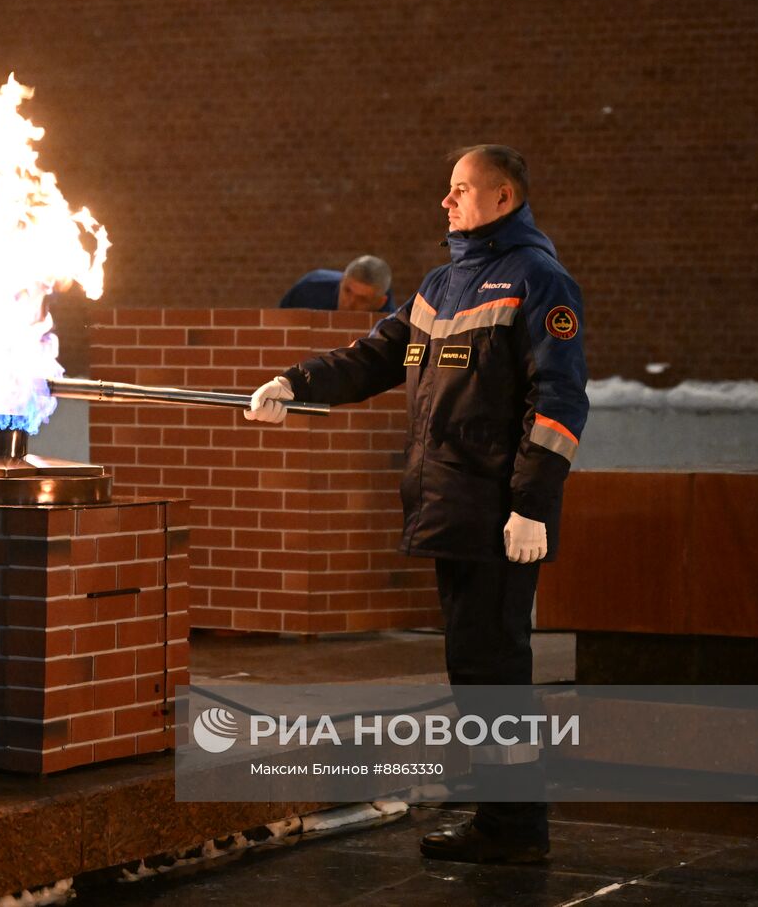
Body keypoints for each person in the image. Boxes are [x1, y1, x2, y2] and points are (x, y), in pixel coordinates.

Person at [245, 145, 588, 864]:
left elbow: (558, 402)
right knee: (476, 674)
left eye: (462, 189)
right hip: (454, 512)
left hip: (499, 518)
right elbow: (374, 355)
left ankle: (516, 831)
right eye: (448, 189)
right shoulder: (441, 284)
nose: (447, 200)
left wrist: (530, 504)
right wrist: (295, 383)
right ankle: (502, 822)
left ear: (503, 199)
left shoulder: (538, 281)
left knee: (495, 676)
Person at [278, 255, 394, 311]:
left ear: (380, 302)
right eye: (347, 291)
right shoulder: (310, 289)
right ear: (342, 280)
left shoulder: (391, 323)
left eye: (362, 299)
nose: (349, 303)